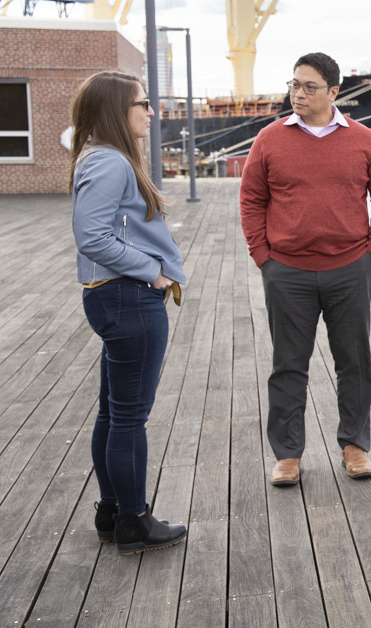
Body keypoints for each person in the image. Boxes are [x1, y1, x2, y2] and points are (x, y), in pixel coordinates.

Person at [240, 52, 371, 487]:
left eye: (310, 86)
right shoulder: (270, 139)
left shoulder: (363, 139)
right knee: (288, 365)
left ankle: (354, 445)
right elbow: (251, 199)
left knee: (354, 361)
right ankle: (288, 454)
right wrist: (262, 255)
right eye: (294, 84)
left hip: (350, 267)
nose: (299, 93)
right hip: (286, 271)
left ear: (333, 92)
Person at [70, 70, 188, 555]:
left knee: (114, 414)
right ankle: (135, 522)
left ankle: (112, 512)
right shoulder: (110, 163)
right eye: (143, 103)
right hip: (128, 298)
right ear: (119, 110)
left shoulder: (104, 158)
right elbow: (92, 236)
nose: (151, 111)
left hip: (115, 296)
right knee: (128, 419)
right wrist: (153, 273)